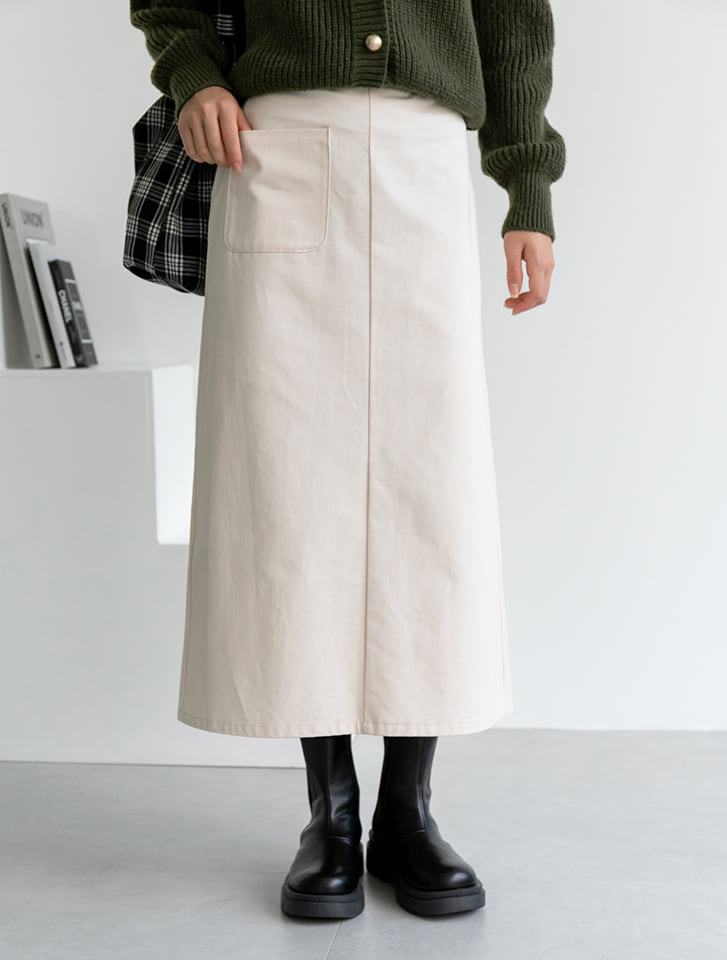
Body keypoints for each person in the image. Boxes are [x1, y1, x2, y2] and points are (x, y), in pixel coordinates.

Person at [129, 0, 566, 921]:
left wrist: (527, 186)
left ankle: (408, 813)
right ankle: (328, 816)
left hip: (423, 156)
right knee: (286, 492)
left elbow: (513, 19)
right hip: (274, 150)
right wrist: (193, 75)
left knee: (428, 491)